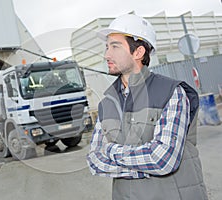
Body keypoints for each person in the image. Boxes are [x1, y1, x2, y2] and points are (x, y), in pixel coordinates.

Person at [86, 14, 208, 200]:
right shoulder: (107, 103)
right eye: (107, 47)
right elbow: (94, 161)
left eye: (115, 47)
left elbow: (162, 160)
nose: (106, 55)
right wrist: (142, 169)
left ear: (138, 52)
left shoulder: (170, 92)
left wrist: (111, 151)